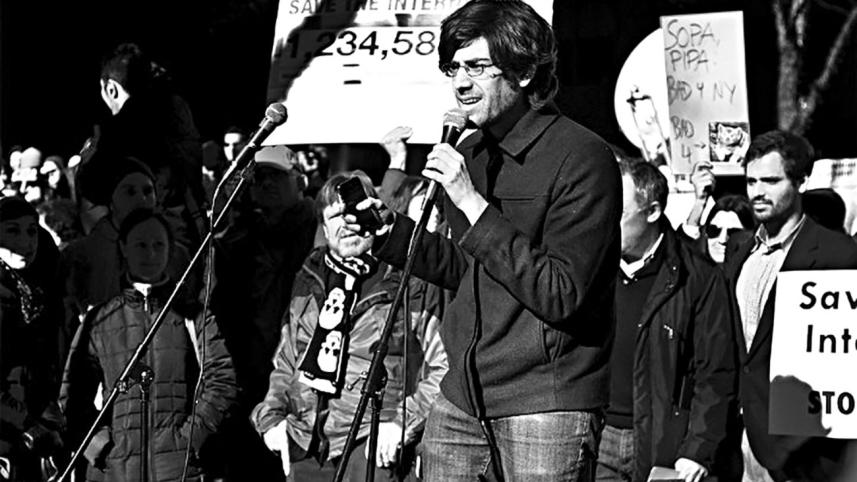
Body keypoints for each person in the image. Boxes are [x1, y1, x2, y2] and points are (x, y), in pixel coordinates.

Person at [351, 1, 622, 479]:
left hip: (544, 403)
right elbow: (467, 270)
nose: (460, 83)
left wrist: (472, 203)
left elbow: (563, 293)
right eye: (453, 68)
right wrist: (390, 232)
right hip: (461, 396)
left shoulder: (582, 157)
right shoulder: (471, 152)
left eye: (476, 67)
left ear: (523, 72)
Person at [251, 171, 447, 481]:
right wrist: (271, 418)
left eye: (353, 214)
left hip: (373, 444)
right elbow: (288, 360)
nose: (345, 224)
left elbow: (443, 367)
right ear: (323, 226)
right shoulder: (309, 277)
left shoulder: (409, 279)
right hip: (305, 443)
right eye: (335, 216)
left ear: (373, 215)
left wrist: (401, 424)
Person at [60, 208, 239, 482]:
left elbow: (222, 380)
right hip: (116, 472)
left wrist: (191, 438)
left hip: (179, 470)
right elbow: (73, 397)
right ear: (124, 248)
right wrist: (101, 447)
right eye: (141, 245)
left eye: (159, 245)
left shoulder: (193, 314)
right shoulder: (100, 319)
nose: (151, 254)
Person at [724, 130, 857, 481]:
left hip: (805, 453)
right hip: (740, 441)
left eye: (770, 181)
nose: (757, 192)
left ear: (801, 182)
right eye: (751, 181)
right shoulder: (739, 255)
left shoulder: (838, 255)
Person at [597, 160, 739, 482]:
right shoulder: (592, 267)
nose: (604, 221)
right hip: (599, 437)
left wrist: (698, 448)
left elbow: (715, 372)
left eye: (617, 213)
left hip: (663, 444)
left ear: (652, 211)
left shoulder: (697, 277)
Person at [210, 146, 317, 481]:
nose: (267, 184)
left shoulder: (317, 230)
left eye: (276, 176)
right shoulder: (240, 236)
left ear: (298, 182)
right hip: (249, 370)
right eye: (260, 178)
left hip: (300, 369)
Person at [78, 42, 206, 249]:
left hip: (148, 247)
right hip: (193, 237)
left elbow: (90, 190)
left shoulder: (117, 133)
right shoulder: (180, 117)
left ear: (111, 88)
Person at [0, 197, 65, 481]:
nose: (26, 242)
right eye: (12, 231)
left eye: (31, 231)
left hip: (41, 431)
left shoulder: (41, 289)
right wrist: (26, 422)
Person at [681, 161, 756, 264]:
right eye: (714, 231)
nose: (722, 239)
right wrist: (700, 202)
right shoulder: (697, 270)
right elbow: (681, 248)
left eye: (733, 233)